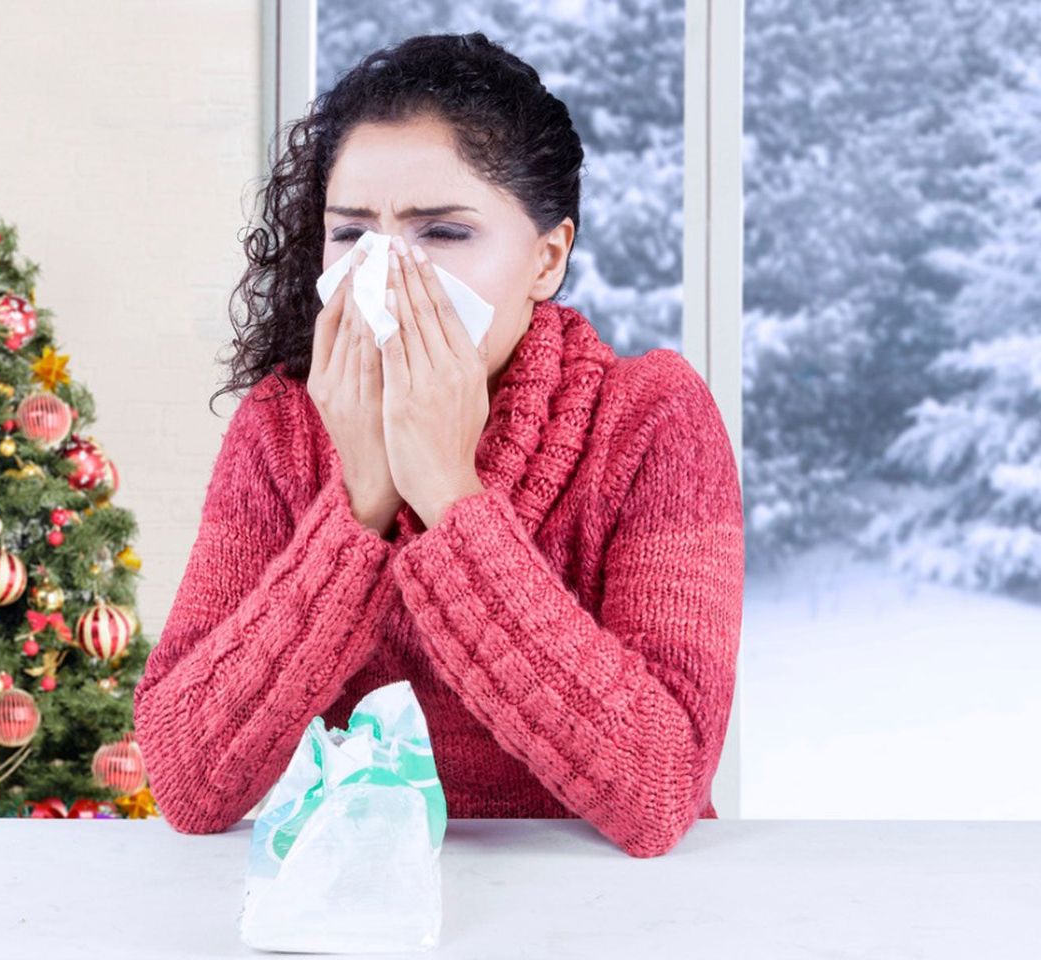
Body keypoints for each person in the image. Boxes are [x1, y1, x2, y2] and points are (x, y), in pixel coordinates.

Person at [133, 32, 744, 859]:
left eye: (445, 233)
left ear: (546, 257)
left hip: (607, 919)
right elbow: (187, 781)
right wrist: (358, 507)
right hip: (360, 906)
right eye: (353, 235)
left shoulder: (649, 421)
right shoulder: (283, 426)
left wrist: (450, 496)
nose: (388, 273)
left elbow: (661, 786)